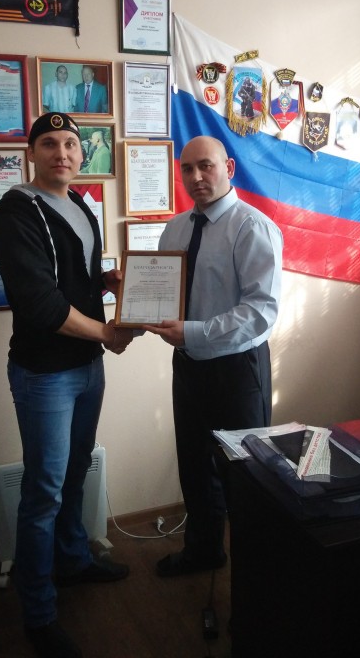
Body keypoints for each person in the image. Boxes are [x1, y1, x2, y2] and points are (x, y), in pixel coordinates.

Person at [0, 112, 133, 658]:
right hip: (45, 373)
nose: (62, 153)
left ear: (81, 153)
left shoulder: (80, 205)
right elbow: (42, 303)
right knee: (44, 491)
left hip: (86, 366)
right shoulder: (15, 213)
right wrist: (108, 333)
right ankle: (39, 613)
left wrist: (110, 281)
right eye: (49, 143)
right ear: (32, 153)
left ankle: (72, 560)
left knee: (73, 473)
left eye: (71, 143)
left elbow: (73, 280)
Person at [144, 135, 283, 578]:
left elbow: (261, 312)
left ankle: (255, 578)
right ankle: (203, 552)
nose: (196, 177)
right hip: (188, 365)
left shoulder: (252, 227)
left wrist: (195, 332)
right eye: (187, 169)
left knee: (244, 475)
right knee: (194, 465)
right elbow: (163, 290)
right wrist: (134, 298)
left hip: (236, 371)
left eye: (206, 166)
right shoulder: (175, 228)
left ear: (229, 168)